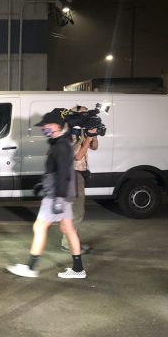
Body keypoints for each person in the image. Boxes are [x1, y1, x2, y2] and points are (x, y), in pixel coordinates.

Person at [6, 108, 86, 280]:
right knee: (67, 228)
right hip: (59, 193)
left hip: (57, 195)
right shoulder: (59, 142)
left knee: (40, 227)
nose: (44, 128)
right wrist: (43, 184)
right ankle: (78, 268)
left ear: (58, 125)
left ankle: (31, 267)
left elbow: (65, 173)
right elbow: (57, 171)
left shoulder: (62, 145)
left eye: (47, 124)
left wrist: (58, 198)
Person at [61, 105, 99, 254]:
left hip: (79, 172)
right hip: (72, 172)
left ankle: (73, 241)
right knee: (76, 211)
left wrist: (93, 135)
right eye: (84, 114)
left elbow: (95, 147)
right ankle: (68, 243)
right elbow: (77, 155)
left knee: (76, 210)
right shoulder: (70, 131)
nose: (86, 116)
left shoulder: (83, 129)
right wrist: (87, 138)